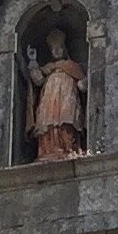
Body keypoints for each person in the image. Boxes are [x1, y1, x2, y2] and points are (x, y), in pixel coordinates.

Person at [24, 25, 88, 160]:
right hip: (49, 99)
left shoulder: (72, 67)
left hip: (67, 98)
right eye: (54, 49)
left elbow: (82, 83)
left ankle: (68, 149)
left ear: (64, 48)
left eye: (59, 47)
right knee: (48, 123)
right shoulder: (48, 69)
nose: (56, 50)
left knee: (67, 121)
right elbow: (38, 80)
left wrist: (84, 83)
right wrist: (33, 60)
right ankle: (48, 151)